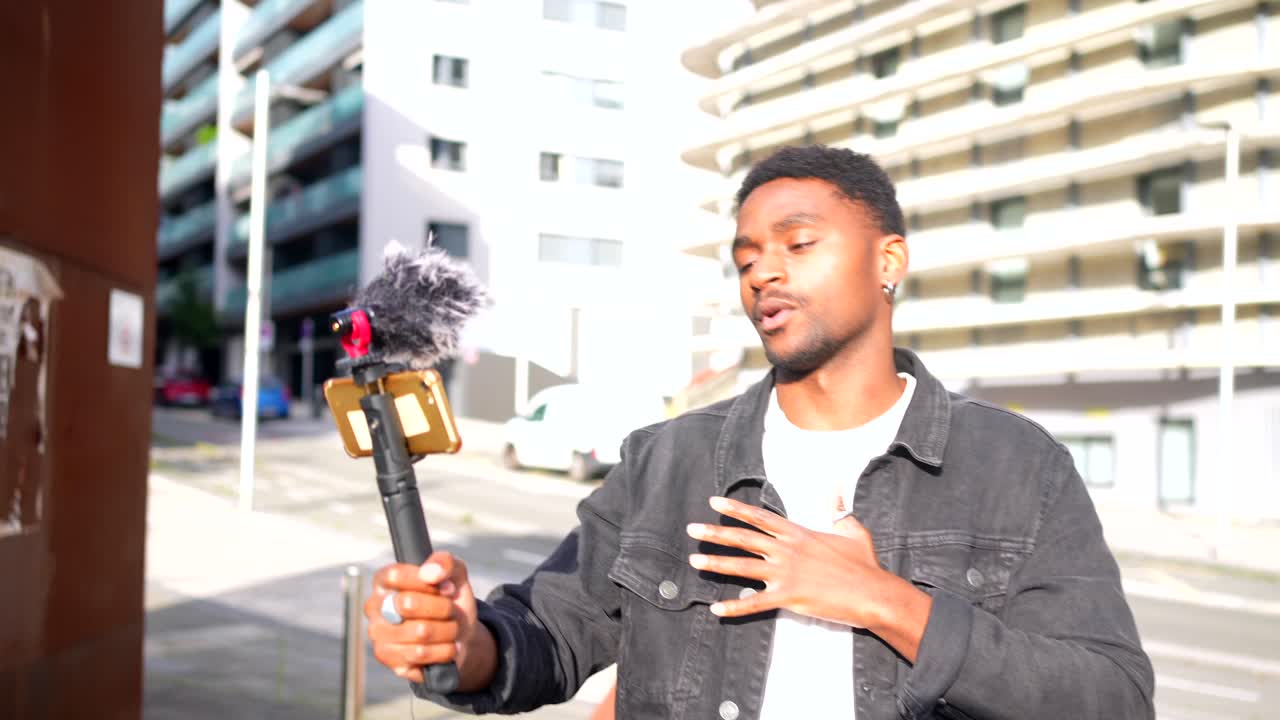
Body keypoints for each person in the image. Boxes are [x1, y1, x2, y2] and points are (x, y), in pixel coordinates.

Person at [365, 146, 1155, 719]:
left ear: (890, 260)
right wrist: (466, 647)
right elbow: (550, 631)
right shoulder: (666, 461)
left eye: (798, 245)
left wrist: (887, 603)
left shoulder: (1017, 468)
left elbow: (1111, 699)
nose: (763, 273)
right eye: (746, 258)